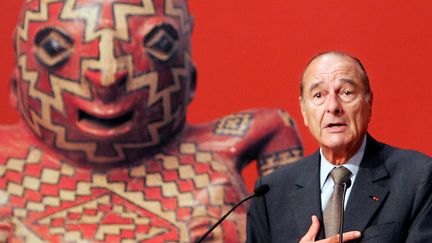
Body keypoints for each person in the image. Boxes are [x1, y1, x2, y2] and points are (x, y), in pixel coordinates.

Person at [0, 0, 304, 242]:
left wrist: (291, 228)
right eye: (55, 49)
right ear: (17, 83)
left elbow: (276, 129)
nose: (106, 77)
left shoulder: (215, 161)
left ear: (190, 79)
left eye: (158, 45)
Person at [247, 51, 432, 243]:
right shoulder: (272, 192)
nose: (333, 106)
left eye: (346, 92)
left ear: (369, 102)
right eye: (318, 95)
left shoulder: (417, 177)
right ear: (303, 109)